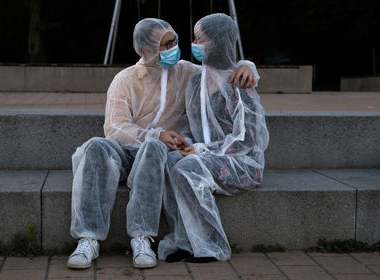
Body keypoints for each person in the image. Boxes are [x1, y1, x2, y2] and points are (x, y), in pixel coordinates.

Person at [67, 18, 258, 269]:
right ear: (147, 49)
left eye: (174, 41)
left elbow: (221, 69)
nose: (174, 47)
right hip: (126, 153)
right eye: (166, 44)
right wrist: (155, 134)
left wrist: (248, 66)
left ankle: (141, 237)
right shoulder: (125, 80)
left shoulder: (186, 71)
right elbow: (115, 127)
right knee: (95, 145)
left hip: (161, 153)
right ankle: (87, 239)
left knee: (154, 148)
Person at [158, 13, 269, 262]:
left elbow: (247, 140)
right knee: (170, 161)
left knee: (187, 167)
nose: (195, 45)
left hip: (241, 162)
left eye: (201, 39)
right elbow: (195, 125)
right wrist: (185, 142)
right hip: (207, 155)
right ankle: (184, 240)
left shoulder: (239, 82)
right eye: (195, 38)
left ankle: (210, 246)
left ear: (218, 43)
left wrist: (203, 150)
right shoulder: (196, 80)